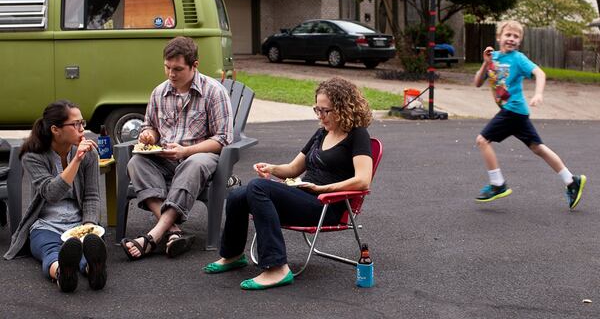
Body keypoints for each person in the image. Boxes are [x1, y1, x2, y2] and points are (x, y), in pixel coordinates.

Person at [203, 77, 373, 290]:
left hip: (326, 205)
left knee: (257, 187)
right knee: (238, 194)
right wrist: (272, 168)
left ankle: (277, 268)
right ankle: (233, 255)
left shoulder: (358, 135)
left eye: (325, 111)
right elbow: (293, 169)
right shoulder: (322, 133)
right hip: (304, 196)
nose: (320, 116)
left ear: (343, 107)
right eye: (317, 110)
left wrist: (322, 189)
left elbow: (363, 180)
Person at [121, 36, 233, 260]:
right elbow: (149, 126)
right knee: (136, 162)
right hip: (165, 158)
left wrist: (185, 151)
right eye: (167, 67)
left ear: (195, 66)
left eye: (178, 69)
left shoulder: (214, 92)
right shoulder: (159, 93)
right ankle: (173, 231)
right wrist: (148, 135)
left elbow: (222, 140)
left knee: (194, 163)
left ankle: (153, 236)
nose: (171, 74)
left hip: (201, 157)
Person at [473, 20, 587, 207]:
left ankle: (497, 184)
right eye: (508, 35)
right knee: (537, 147)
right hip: (517, 113)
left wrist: (539, 93)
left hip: (513, 110)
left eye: (516, 36)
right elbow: (477, 82)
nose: (511, 39)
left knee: (482, 140)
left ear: (520, 41)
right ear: (499, 37)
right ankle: (571, 180)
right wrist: (486, 64)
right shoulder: (493, 58)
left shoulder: (518, 59)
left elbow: (540, 73)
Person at [3, 100, 107, 293]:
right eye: (76, 124)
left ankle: (94, 269)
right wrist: (76, 160)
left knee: (87, 247)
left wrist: (88, 225)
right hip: (45, 223)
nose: (82, 129)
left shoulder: (89, 154)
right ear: (55, 129)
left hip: (79, 222)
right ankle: (62, 273)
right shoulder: (33, 156)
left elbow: (92, 195)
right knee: (50, 251)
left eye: (82, 123)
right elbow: (51, 193)